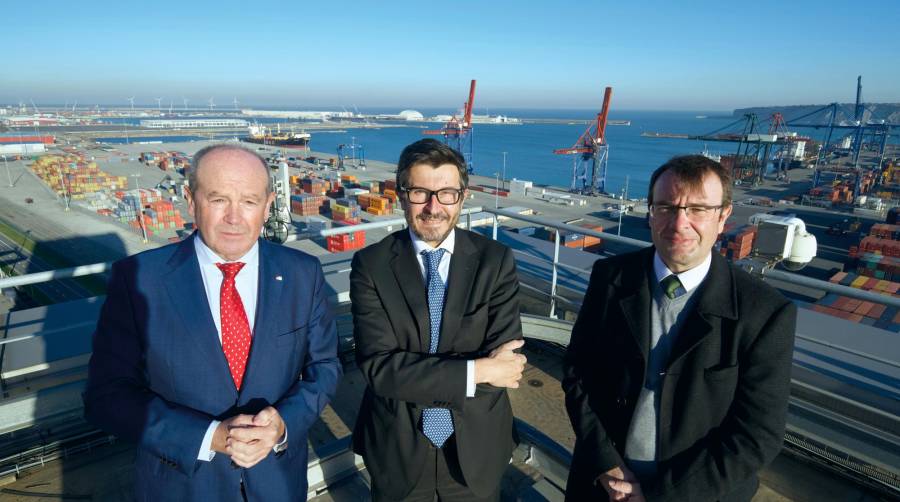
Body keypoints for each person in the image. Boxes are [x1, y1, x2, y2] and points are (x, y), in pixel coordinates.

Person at [84, 144, 341, 501]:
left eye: (249, 202)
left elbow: (325, 368)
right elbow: (106, 396)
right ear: (191, 201)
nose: (234, 217)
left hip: (277, 483)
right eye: (219, 199)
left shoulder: (302, 273)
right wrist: (210, 436)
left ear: (268, 207)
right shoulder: (139, 280)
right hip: (182, 485)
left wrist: (283, 423)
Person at [563, 155, 796, 502]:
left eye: (698, 209)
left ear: (724, 216)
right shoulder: (611, 278)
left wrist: (659, 495)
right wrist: (605, 462)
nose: (679, 223)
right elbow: (578, 373)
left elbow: (757, 434)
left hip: (696, 494)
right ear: (651, 212)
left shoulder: (764, 312)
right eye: (667, 207)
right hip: (602, 484)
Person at [350, 139, 526, 501]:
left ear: (462, 197)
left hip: (476, 451)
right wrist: (476, 371)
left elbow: (504, 371)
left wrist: (416, 377)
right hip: (397, 449)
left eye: (446, 193)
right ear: (401, 195)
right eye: (420, 192)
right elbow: (379, 370)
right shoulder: (370, 265)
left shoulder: (496, 262)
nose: (433, 207)